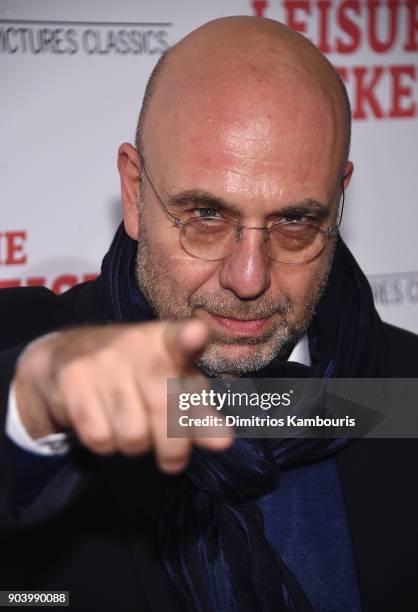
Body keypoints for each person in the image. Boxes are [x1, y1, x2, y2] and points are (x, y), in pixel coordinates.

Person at [0, 15, 417, 612]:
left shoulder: (403, 391)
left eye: (295, 221)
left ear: (338, 198)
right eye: (205, 216)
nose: (249, 278)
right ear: (136, 191)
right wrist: (30, 414)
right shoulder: (29, 358)